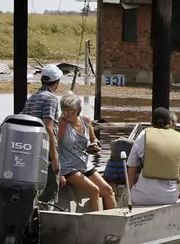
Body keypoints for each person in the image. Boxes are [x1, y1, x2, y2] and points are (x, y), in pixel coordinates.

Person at [57, 92, 116, 211]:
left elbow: (93, 138)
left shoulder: (86, 120)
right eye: (64, 110)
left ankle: (115, 221)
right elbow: (53, 144)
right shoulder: (62, 122)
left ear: (77, 111)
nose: (65, 114)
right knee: (94, 190)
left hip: (84, 164)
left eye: (69, 111)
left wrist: (94, 144)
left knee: (108, 190)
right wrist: (57, 172)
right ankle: (95, 224)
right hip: (67, 166)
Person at [126, 107, 180, 207]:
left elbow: (131, 170)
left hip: (141, 198)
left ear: (151, 123)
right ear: (171, 124)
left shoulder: (142, 137)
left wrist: (132, 192)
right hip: (169, 197)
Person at [20, 64, 64, 204]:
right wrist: (55, 159)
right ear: (57, 82)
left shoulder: (32, 98)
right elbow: (48, 128)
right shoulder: (51, 99)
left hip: (31, 151)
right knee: (48, 196)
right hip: (45, 153)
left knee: (35, 193)